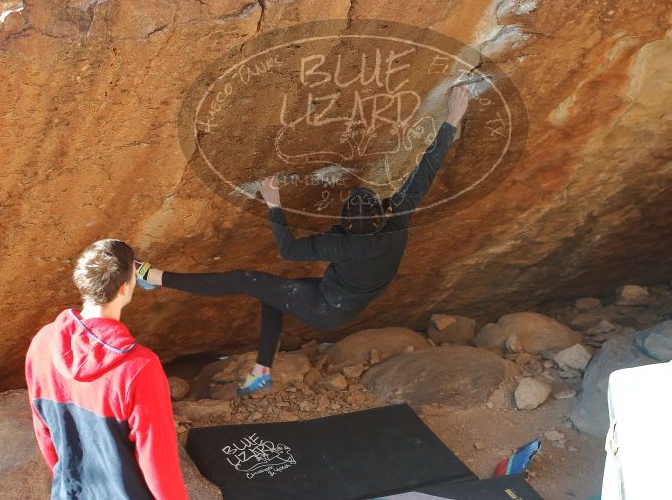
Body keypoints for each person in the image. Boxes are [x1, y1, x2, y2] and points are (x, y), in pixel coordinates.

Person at [135, 84, 471, 397]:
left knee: (247, 280)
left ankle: (153, 277)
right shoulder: (396, 222)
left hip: (326, 308)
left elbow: (289, 249)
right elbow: (425, 172)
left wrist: (273, 204)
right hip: (343, 301)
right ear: (381, 216)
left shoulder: (342, 244)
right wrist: (453, 118)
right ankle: (262, 369)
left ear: (345, 225)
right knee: (273, 293)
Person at [25, 239, 189, 500]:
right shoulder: (139, 367)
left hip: (70, 492)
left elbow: (44, 431)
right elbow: (157, 460)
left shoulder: (42, 342)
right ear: (125, 288)